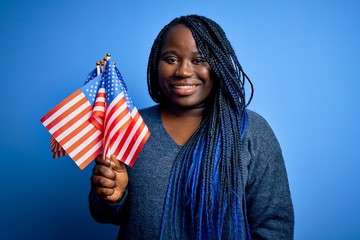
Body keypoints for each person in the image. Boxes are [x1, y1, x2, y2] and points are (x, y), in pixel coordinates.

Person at [89, 14, 294, 240]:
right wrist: (112, 196)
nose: (184, 71)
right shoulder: (130, 125)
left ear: (219, 66)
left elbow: (275, 225)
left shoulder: (249, 131)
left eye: (199, 60)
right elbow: (104, 214)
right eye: (171, 59)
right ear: (155, 64)